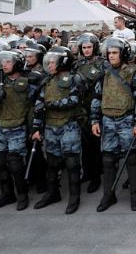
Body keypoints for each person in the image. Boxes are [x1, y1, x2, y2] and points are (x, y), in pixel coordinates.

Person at [92, 37, 136, 212]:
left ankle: (135, 196)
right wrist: (94, 120)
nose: (111, 56)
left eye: (115, 53)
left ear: (123, 54)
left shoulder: (135, 73)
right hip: (108, 120)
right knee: (108, 159)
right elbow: (96, 98)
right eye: (109, 53)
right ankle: (108, 195)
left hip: (127, 120)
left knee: (132, 158)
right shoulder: (104, 73)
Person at [0, 50, 42, 211]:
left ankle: (22, 194)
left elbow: (34, 107)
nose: (4, 64)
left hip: (17, 127)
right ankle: (6, 194)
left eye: (8, 62)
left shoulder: (28, 82)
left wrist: (34, 128)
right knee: (2, 164)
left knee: (15, 164)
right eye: (2, 62)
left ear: (17, 63)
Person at [31, 46, 84, 214]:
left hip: (69, 125)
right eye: (49, 61)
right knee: (52, 162)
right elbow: (39, 105)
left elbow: (75, 99)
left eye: (53, 62)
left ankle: (74, 198)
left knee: (72, 162)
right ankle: (52, 193)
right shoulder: (47, 80)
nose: (50, 64)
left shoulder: (74, 78)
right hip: (50, 126)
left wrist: (52, 105)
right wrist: (36, 127)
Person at [73, 34, 104, 194]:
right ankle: (87, 172)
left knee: (95, 144)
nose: (86, 50)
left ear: (95, 47)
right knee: (84, 144)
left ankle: (96, 176)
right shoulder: (77, 64)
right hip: (81, 107)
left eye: (89, 47)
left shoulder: (101, 63)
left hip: (96, 107)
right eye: (84, 48)